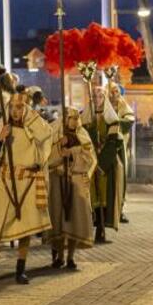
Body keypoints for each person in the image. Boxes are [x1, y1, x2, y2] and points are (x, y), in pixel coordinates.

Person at [0, 90, 53, 286]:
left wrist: (30, 117)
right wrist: (1, 138)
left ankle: (20, 269)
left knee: (25, 227)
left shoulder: (34, 128)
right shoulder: (3, 127)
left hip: (27, 182)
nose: (15, 111)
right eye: (12, 107)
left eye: (20, 107)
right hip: (6, 183)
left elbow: (46, 136)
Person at [46, 107, 96, 270]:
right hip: (57, 181)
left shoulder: (83, 135)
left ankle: (71, 256)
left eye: (76, 118)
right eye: (70, 118)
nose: (74, 121)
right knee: (58, 218)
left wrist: (73, 153)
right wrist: (59, 150)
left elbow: (90, 159)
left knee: (75, 219)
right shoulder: (55, 135)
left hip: (76, 180)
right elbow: (46, 158)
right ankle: (59, 255)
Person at [83, 84, 126, 242]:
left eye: (100, 96)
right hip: (89, 165)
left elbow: (113, 143)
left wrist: (101, 164)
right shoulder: (85, 119)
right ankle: (88, 229)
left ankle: (101, 229)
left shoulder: (112, 119)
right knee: (90, 198)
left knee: (104, 198)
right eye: (94, 96)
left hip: (105, 167)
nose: (97, 99)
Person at [107, 83, 135, 222]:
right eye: (111, 91)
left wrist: (115, 123)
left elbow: (129, 120)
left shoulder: (123, 105)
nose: (114, 94)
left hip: (119, 148)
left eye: (116, 91)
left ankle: (120, 209)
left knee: (120, 178)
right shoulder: (103, 105)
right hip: (104, 148)